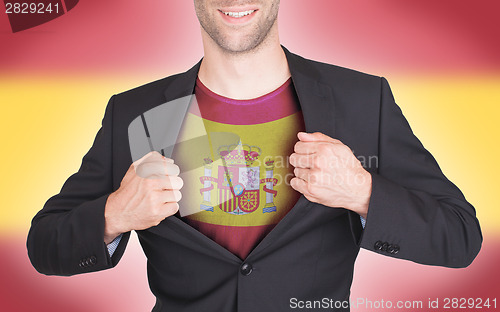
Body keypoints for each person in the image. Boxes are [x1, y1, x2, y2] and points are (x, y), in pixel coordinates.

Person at [27, 1, 482, 311]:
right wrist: (114, 215)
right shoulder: (137, 113)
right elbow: (44, 245)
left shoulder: (362, 100)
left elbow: (460, 236)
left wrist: (363, 192)